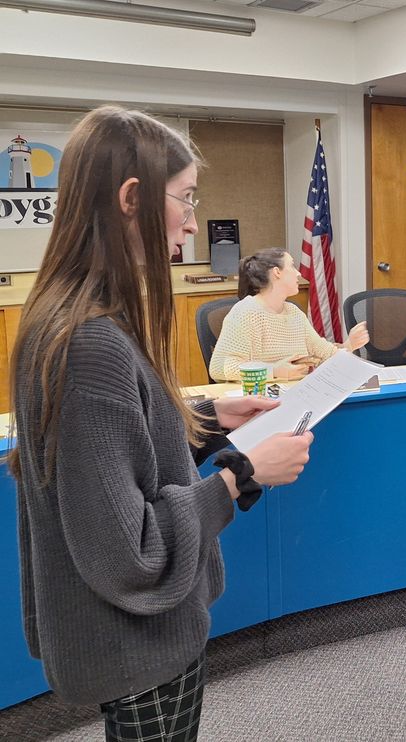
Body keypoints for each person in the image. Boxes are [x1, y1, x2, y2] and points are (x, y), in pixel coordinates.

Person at [8, 106, 314, 742]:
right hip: (138, 640)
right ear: (131, 198)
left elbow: (115, 454)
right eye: (185, 199)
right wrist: (242, 475)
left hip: (126, 638)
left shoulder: (70, 315)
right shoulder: (91, 342)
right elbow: (130, 550)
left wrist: (200, 419)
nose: (194, 222)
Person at [209, 248, 368, 382]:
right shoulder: (246, 312)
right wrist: (275, 371)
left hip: (296, 395)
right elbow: (219, 369)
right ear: (277, 272)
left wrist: (350, 345)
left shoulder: (294, 312)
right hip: (259, 402)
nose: (298, 273)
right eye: (292, 266)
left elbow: (325, 354)